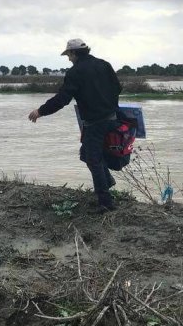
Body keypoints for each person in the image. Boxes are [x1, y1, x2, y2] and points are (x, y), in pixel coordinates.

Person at [28, 39, 122, 212]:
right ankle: (107, 182)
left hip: (95, 122)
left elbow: (62, 99)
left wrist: (41, 111)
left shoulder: (75, 72)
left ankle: (105, 203)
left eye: (68, 55)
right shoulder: (104, 65)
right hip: (112, 118)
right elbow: (118, 88)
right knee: (86, 154)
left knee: (93, 159)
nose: (68, 59)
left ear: (73, 53)